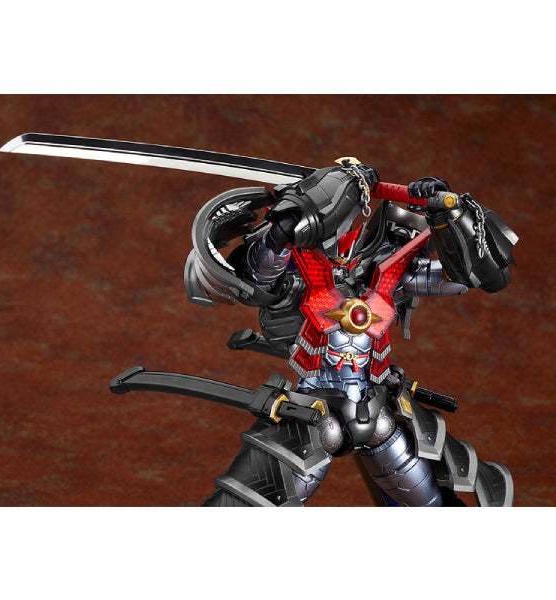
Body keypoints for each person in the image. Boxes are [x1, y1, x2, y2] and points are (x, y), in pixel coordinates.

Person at [184, 158, 518, 507]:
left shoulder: (390, 274)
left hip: (377, 411)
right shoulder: (303, 268)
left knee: (431, 503)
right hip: (313, 415)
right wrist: (283, 228)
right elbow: (261, 273)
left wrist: (448, 217)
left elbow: (470, 278)